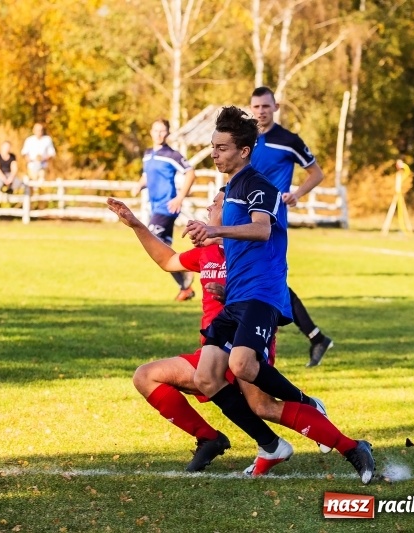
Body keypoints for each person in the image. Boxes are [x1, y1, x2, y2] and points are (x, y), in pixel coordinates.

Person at [183, 105, 375, 483]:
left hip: (263, 293)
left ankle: (322, 418)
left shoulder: (260, 185)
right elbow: (234, 240)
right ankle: (270, 445)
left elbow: (262, 230)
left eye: (221, 148)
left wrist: (215, 230)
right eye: (213, 147)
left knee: (242, 366)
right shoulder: (229, 188)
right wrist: (210, 234)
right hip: (236, 296)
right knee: (207, 377)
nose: (214, 154)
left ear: (244, 151)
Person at [108, 192, 355, 477]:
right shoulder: (207, 252)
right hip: (213, 350)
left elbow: (276, 301)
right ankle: (211, 438)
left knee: (263, 407)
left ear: (234, 213)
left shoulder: (253, 253)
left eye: (216, 203)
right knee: (146, 376)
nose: (209, 206)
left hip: (247, 346)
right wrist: (137, 225)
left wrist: (234, 297)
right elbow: (168, 261)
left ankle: (332, 434)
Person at [249, 86, 334, 367]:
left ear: (275, 107)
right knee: (261, 278)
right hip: (245, 218)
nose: (261, 111)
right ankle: (315, 337)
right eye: (256, 106)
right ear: (250, 109)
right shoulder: (245, 138)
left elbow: (316, 173)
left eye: (266, 106)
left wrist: (296, 194)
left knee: (268, 278)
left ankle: (258, 345)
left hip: (272, 220)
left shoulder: (289, 140)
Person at [131, 119, 197, 301]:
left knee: (151, 238)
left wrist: (180, 197)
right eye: (156, 130)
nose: (159, 134)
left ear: (167, 133)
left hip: (167, 207)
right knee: (162, 251)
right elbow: (147, 176)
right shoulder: (147, 154)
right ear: (151, 132)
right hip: (155, 208)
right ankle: (185, 287)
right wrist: (139, 185)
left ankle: (187, 268)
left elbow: (191, 173)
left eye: (162, 131)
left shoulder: (172, 155)